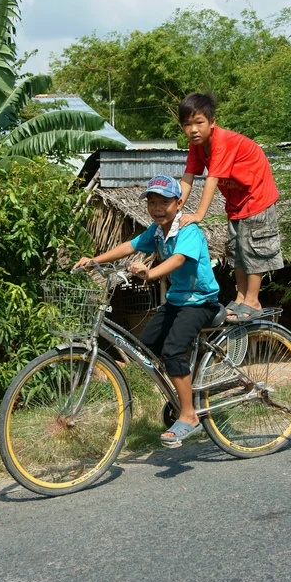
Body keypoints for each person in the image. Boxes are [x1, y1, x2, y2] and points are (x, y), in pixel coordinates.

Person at [73, 175, 220, 447]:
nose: (157, 208)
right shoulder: (155, 231)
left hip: (200, 301)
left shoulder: (187, 230)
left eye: (164, 202)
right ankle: (179, 396)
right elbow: (129, 246)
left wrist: (150, 273)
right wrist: (95, 260)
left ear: (178, 203)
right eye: (152, 202)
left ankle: (189, 415)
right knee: (146, 348)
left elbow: (178, 259)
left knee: (173, 350)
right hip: (177, 300)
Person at [177, 92, 284, 322]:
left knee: (253, 248)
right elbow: (187, 177)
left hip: (257, 196)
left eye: (199, 122)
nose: (193, 129)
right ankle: (241, 297)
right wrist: (175, 207)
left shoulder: (222, 142)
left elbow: (212, 179)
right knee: (235, 249)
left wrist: (198, 214)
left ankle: (253, 300)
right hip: (236, 200)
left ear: (212, 122)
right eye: (187, 124)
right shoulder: (196, 147)